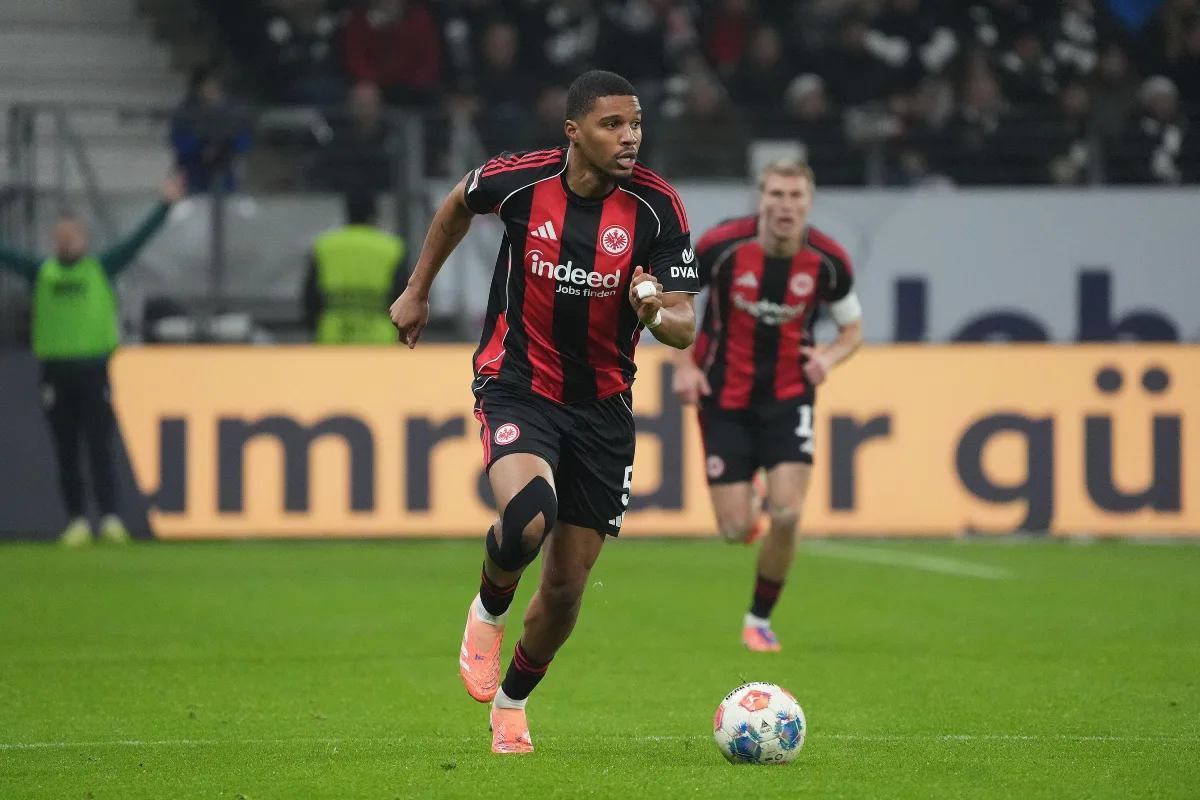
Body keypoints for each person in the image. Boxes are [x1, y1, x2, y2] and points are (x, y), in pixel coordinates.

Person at [389, 70, 698, 754]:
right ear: (574, 132)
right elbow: (457, 204)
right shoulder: (522, 181)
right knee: (530, 515)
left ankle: (512, 703)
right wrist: (417, 289)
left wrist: (653, 310)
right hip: (518, 383)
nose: (629, 137)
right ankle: (487, 609)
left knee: (564, 590)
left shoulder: (657, 208)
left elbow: (685, 326)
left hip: (604, 408)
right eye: (612, 125)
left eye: (636, 124)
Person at [671, 158, 863, 652]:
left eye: (795, 196)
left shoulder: (829, 261)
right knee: (735, 529)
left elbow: (852, 330)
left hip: (789, 396)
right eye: (776, 194)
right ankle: (752, 498)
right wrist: (685, 367)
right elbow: (678, 304)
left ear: (809, 203)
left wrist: (829, 358)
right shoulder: (720, 246)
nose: (785, 205)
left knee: (788, 513)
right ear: (761, 200)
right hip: (724, 396)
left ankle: (758, 619)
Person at [0, 174, 185, 546]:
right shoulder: (42, 271)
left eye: (72, 235)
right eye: (61, 235)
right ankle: (77, 520)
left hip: (94, 369)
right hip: (55, 372)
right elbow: (5, 254)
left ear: (84, 239)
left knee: (99, 447)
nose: (67, 240)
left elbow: (137, 241)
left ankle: (111, 518)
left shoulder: (101, 268)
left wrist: (165, 206)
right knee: (66, 450)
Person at [302, 189, 406, 343]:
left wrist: (313, 328)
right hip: (379, 338)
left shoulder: (324, 246)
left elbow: (310, 297)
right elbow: (404, 296)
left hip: (333, 337)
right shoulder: (392, 248)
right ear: (374, 214)